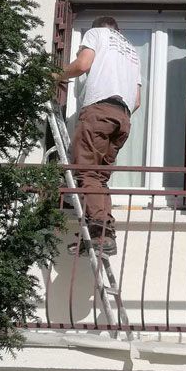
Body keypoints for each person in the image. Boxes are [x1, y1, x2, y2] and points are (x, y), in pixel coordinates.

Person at [56, 15, 141, 257]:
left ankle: (101, 234)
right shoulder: (132, 52)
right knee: (99, 178)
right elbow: (136, 101)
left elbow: (82, 65)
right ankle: (101, 235)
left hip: (99, 111)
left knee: (86, 173)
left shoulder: (96, 34)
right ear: (118, 29)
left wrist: (57, 76)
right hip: (123, 117)